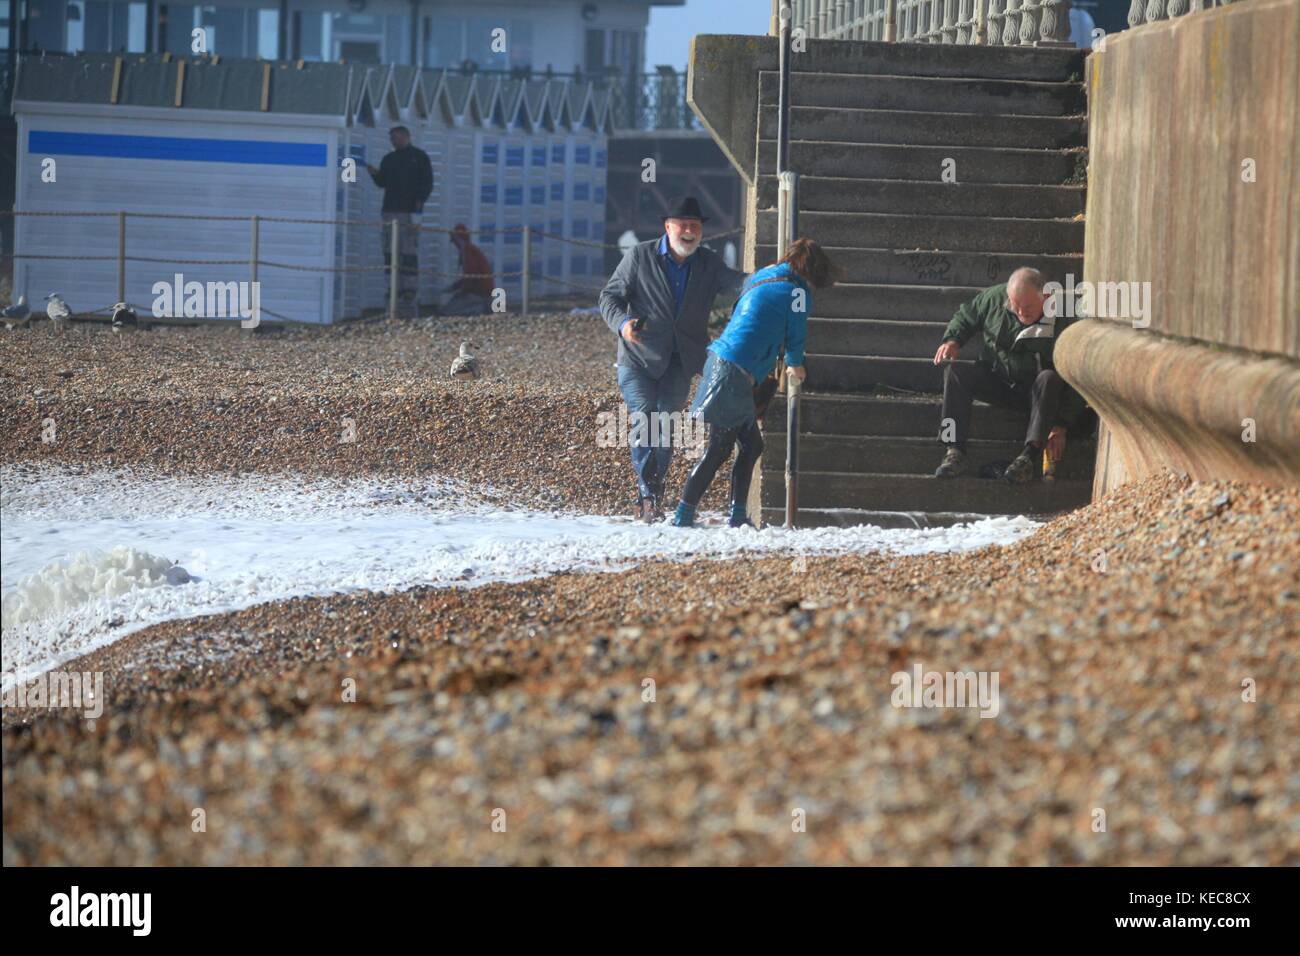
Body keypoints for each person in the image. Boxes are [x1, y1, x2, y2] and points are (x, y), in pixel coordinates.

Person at [670, 238, 839, 528]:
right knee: (718, 449)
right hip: (732, 372)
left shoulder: (763, 275)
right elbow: (796, 333)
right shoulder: (797, 291)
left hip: (722, 362)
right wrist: (796, 364)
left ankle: (737, 516)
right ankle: (683, 515)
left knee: (750, 445)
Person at [599, 196, 747, 522]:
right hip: (638, 357)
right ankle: (648, 496)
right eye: (683, 225)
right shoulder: (640, 256)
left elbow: (736, 283)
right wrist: (623, 325)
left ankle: (651, 495)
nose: (689, 231)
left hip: (682, 361)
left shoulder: (708, 262)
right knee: (644, 416)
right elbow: (609, 297)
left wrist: (767, 279)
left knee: (666, 426)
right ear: (668, 227)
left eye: (695, 226)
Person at [932, 267, 1087, 483]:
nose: (1021, 313)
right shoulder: (994, 298)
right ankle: (953, 448)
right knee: (955, 372)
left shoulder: (1066, 316)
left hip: (1040, 394)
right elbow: (966, 315)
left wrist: (1061, 424)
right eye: (1015, 306)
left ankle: (1028, 457)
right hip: (998, 379)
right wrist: (952, 340)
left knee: (1049, 378)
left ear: (1047, 296)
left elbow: (1079, 375)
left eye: (1028, 307)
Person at [366, 126, 433, 303]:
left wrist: (419, 203)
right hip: (390, 210)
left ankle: (409, 289)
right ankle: (393, 287)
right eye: (391, 138)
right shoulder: (389, 159)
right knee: (389, 251)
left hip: (409, 212)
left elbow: (427, 183)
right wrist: (374, 174)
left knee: (408, 251)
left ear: (406, 136)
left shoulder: (419, 157)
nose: (393, 141)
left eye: (395, 137)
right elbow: (382, 183)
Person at [442, 224, 495, 315]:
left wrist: (462, 290)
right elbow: (469, 277)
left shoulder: (468, 251)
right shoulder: (470, 250)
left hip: (481, 295)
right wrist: (454, 287)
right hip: (482, 293)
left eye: (453, 240)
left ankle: (480, 309)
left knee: (448, 312)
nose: (453, 243)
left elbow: (472, 276)